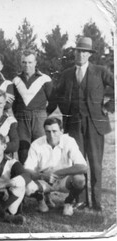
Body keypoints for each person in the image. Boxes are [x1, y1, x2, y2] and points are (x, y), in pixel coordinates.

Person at [47, 37, 114, 211]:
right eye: (78, 51)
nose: (81, 54)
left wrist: (109, 106)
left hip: (95, 123)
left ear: (89, 54)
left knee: (95, 163)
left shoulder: (100, 71)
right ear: (74, 53)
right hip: (73, 123)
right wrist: (45, 112)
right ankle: (81, 200)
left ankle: (97, 202)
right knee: (77, 162)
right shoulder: (67, 74)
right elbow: (55, 95)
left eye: (84, 51)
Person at [24, 118, 88, 216]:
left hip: (65, 180)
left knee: (80, 179)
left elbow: (83, 167)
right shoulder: (36, 144)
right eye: (48, 131)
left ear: (62, 131)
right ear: (44, 131)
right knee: (27, 187)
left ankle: (68, 202)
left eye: (55, 131)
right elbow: (27, 169)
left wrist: (58, 173)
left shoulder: (69, 141)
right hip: (45, 180)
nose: (51, 135)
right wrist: (42, 176)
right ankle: (41, 200)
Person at [12, 49, 53, 165]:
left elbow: (53, 101)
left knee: (42, 148)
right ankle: (26, 177)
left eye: (30, 62)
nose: (27, 65)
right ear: (21, 63)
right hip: (21, 118)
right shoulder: (16, 80)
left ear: (35, 63)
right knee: (24, 149)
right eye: (24, 62)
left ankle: (42, 179)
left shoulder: (45, 79)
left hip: (40, 117)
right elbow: (14, 103)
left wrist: (44, 115)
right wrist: (20, 115)